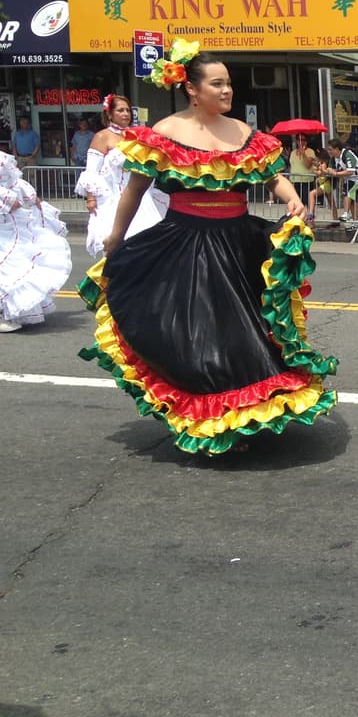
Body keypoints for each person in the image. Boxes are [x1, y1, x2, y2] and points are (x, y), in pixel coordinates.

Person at [77, 40, 337, 455]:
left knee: (246, 333)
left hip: (238, 242)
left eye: (228, 83)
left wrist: (292, 197)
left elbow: (273, 177)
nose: (226, 91)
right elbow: (134, 190)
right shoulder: (164, 133)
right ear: (192, 89)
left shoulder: (245, 134)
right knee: (198, 335)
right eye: (217, 84)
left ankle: (245, 410)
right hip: (186, 242)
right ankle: (210, 418)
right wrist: (116, 236)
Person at [75, 93, 170, 258]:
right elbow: (91, 172)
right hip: (115, 198)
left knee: (148, 245)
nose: (125, 114)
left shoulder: (138, 135)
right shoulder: (102, 136)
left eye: (127, 110)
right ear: (110, 114)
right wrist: (91, 198)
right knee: (118, 245)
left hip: (142, 196)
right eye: (120, 110)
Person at [0, 150, 72, 332]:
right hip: (6, 224)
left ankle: (10, 312)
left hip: (13, 224)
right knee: (9, 267)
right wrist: (7, 198)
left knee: (19, 264)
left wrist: (28, 195)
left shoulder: (3, 158)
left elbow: (15, 180)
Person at [326, 138, 358, 227]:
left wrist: (336, 173)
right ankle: (355, 221)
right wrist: (326, 170)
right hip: (349, 179)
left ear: (337, 149)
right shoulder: (334, 158)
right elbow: (331, 169)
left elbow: (350, 171)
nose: (329, 152)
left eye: (330, 149)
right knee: (352, 199)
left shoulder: (347, 154)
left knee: (349, 193)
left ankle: (346, 213)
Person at [288, 134, 316, 209]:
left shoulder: (310, 151)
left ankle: (310, 217)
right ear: (297, 141)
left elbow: (308, 165)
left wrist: (304, 154)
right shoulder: (293, 152)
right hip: (295, 181)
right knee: (296, 202)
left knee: (307, 202)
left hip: (306, 181)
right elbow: (292, 166)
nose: (302, 142)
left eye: (304, 140)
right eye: (300, 139)